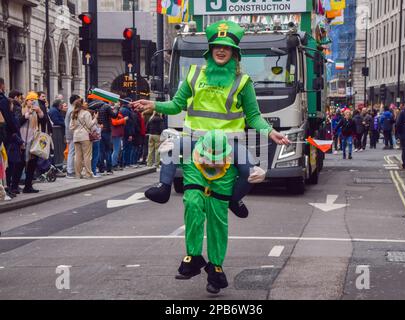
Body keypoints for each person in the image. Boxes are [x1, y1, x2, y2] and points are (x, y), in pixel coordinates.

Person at [132, 20, 289, 218]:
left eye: (227, 48)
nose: (221, 51)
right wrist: (153, 104)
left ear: (234, 53)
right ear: (210, 50)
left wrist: (271, 132)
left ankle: (234, 199)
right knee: (170, 148)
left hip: (229, 143)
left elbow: (254, 116)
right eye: (217, 47)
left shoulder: (243, 81)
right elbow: (176, 105)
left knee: (251, 172)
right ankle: (163, 188)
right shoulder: (194, 74)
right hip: (194, 139)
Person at [174, 130, 265, 294]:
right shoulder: (192, 151)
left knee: (218, 228)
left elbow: (248, 173)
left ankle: (215, 270)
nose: (213, 163)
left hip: (221, 190)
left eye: (217, 159)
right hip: (197, 179)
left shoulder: (235, 153)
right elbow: (173, 155)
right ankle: (193, 257)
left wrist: (255, 175)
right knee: (193, 206)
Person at [17, 92, 45, 193]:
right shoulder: (21, 109)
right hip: (22, 140)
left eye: (34, 100)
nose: (33, 102)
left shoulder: (36, 111)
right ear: (27, 101)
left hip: (33, 140)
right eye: (31, 100)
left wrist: (40, 112)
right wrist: (26, 115)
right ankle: (15, 185)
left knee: (32, 163)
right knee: (20, 163)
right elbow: (18, 122)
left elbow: (43, 121)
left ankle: (28, 186)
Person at [70, 99, 98, 179]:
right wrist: (95, 118)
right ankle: (88, 174)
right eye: (85, 102)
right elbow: (90, 125)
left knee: (77, 156)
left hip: (76, 136)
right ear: (82, 105)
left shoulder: (74, 113)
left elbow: (70, 127)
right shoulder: (86, 113)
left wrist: (77, 128)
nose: (86, 103)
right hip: (85, 136)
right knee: (87, 155)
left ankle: (78, 174)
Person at [97, 101, 119, 175]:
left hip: (100, 130)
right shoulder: (107, 107)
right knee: (108, 150)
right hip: (107, 131)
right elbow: (114, 115)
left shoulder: (98, 107)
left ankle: (101, 168)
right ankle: (109, 169)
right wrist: (116, 108)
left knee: (101, 150)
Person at [65, 94, 81, 179]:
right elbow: (71, 124)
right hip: (72, 134)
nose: (80, 101)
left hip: (72, 134)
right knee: (71, 152)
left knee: (73, 152)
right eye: (79, 99)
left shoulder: (71, 109)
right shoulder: (72, 110)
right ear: (75, 100)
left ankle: (71, 170)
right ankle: (70, 171)